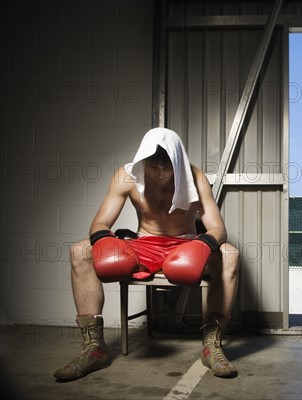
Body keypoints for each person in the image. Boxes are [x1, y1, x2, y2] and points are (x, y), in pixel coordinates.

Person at [54, 128, 239, 381]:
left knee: (229, 254)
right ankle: (94, 349)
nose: (161, 169)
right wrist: (107, 243)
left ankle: (212, 346)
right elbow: (99, 224)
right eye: (153, 162)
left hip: (185, 244)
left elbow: (218, 228)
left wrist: (202, 244)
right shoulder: (126, 177)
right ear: (142, 159)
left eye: (167, 162)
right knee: (80, 250)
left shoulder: (196, 177)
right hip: (143, 244)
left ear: (177, 159)